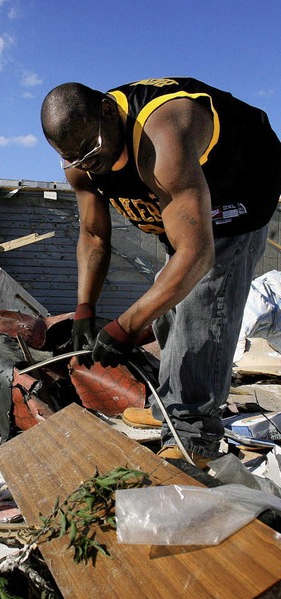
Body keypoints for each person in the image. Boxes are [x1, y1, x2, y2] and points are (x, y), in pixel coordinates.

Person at [40, 77, 281, 467]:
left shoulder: (163, 133)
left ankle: (192, 438)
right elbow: (93, 235)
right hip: (185, 191)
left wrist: (126, 326)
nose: (88, 165)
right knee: (165, 297)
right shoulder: (82, 163)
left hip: (241, 184)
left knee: (203, 301)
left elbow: (197, 254)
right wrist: (85, 307)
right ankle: (168, 402)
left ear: (107, 110)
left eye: (92, 151)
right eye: (74, 158)